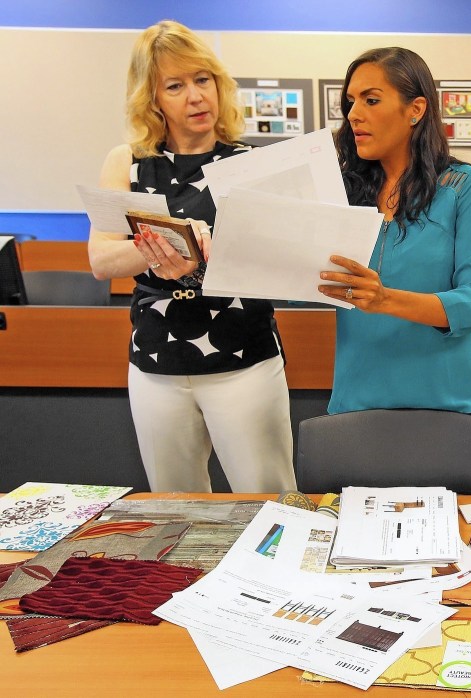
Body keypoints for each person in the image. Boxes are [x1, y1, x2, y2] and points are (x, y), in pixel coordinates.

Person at [88, 20, 296, 493]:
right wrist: (174, 243)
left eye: (203, 80)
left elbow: (278, 265)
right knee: (174, 507)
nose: (196, 96)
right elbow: (102, 259)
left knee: (271, 498)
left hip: (242, 357)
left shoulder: (251, 163)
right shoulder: (127, 161)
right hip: (156, 361)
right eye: (176, 86)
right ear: (153, 97)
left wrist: (203, 259)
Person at [318, 47, 471, 414]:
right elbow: (306, 284)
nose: (354, 114)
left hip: (446, 401)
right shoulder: (340, 191)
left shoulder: (465, 186)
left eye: (371, 100)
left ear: (415, 109)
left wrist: (385, 300)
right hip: (357, 399)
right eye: (350, 102)